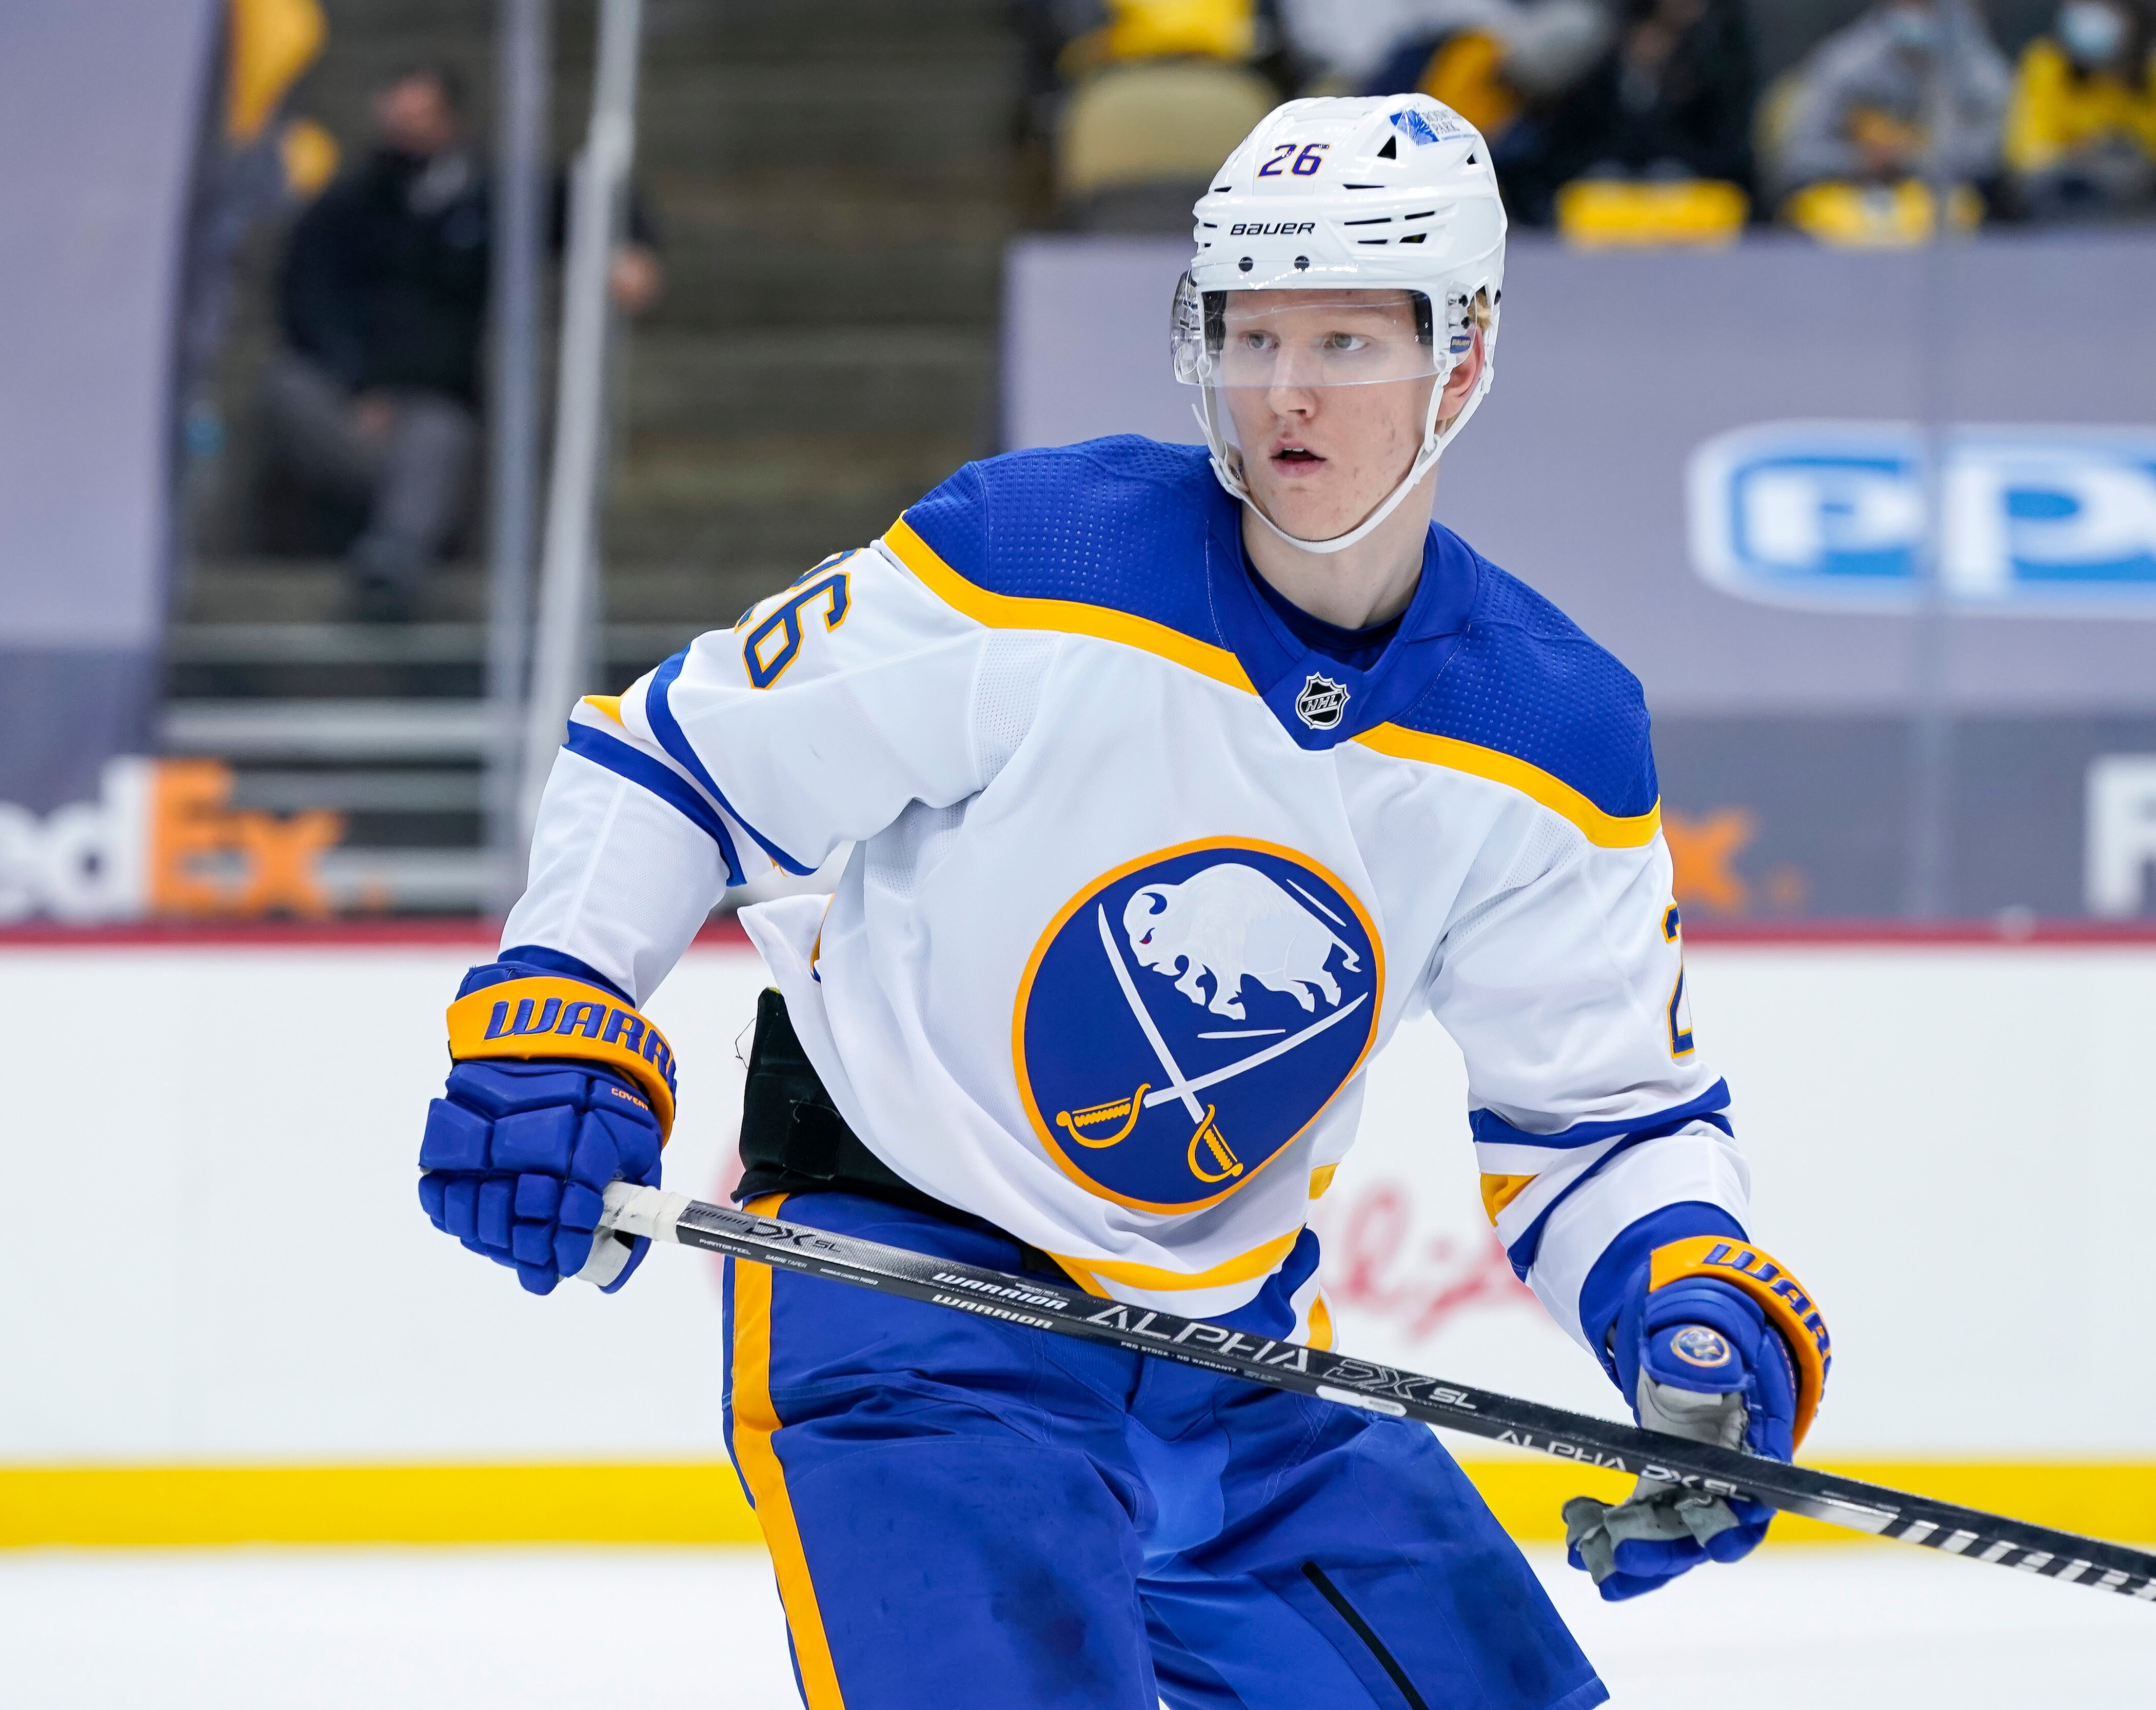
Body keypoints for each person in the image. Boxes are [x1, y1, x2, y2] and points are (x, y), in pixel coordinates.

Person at [413, 94, 1830, 1708]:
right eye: (1249, 332)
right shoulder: (1036, 554)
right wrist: (562, 1014)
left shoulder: (1552, 731)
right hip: (909, 1320)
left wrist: (1690, 1316)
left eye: (1349, 342)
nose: (1285, 393)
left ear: (1465, 356)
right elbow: (678, 759)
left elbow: (1599, 1121)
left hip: (1234, 1372)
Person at [265, 67, 661, 619]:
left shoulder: (487, 196)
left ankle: (394, 558)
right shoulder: (347, 205)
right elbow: (304, 299)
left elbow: (582, 195)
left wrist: (629, 244)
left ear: (450, 119)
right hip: (345, 397)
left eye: (421, 116)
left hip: (436, 400)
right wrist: (358, 385)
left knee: (437, 436)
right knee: (287, 386)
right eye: (399, 115)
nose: (407, 130)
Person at [1507, 0, 1760, 224]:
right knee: (1604, 181)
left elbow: (1728, 148)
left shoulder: (1718, 59)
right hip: (1604, 186)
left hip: (1687, 190)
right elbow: (1570, 144)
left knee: (1670, 178)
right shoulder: (1605, 63)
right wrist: (1636, 76)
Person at [1774, 0, 2011, 232]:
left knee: (1960, 208)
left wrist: (1915, 157)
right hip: (1847, 195)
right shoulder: (1844, 63)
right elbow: (1797, 157)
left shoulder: (1978, 68)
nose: (1918, 12)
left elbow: (1996, 154)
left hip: (1935, 200)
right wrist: (1862, 161)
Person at [2005, 0, 2156, 216]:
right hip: (2069, 221)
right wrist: (2086, 158)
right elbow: (2028, 162)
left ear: (2136, 13)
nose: (2087, 11)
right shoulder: (2047, 66)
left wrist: (2143, 169)